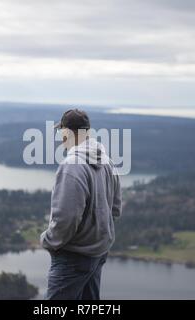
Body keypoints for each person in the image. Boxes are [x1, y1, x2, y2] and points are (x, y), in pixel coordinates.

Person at [40, 108, 122, 300]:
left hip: (73, 256)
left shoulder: (72, 166)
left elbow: (66, 219)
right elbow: (116, 209)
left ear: (67, 132)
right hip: (97, 253)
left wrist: (49, 241)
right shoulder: (107, 162)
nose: (61, 136)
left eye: (61, 130)